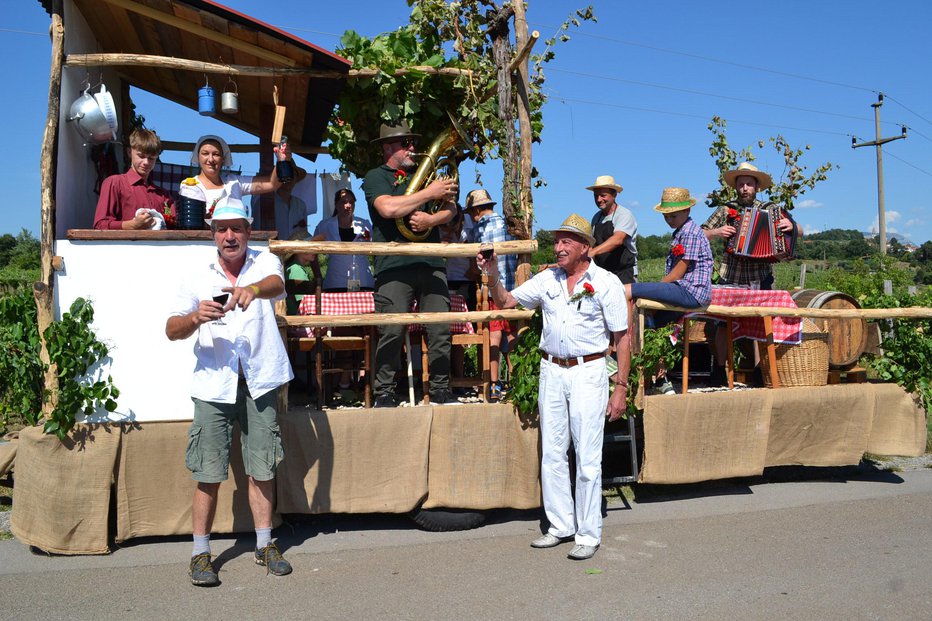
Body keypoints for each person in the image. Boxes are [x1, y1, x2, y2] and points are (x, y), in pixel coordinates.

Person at [478, 213, 630, 562]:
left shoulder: (605, 283)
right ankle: (560, 526)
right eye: (557, 240)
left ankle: (588, 533)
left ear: (585, 248)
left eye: (566, 241)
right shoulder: (547, 279)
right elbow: (505, 302)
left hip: (589, 371)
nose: (558, 247)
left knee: (588, 457)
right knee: (553, 452)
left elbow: (622, 338)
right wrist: (490, 273)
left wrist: (620, 386)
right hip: (552, 370)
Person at [165, 197, 294, 587]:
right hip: (213, 385)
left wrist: (252, 289)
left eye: (237, 228)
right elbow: (171, 329)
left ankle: (264, 544)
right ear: (213, 235)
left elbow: (278, 284)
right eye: (222, 229)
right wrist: (194, 317)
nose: (229, 236)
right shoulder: (196, 274)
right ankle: (200, 553)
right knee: (208, 473)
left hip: (259, 382)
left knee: (262, 469)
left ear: (248, 231)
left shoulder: (264, 261)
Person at [363, 120, 459, 407]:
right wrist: (430, 194)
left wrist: (431, 219)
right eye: (406, 143)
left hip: (430, 261)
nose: (413, 147)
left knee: (440, 329)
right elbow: (388, 208)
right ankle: (385, 392)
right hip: (393, 264)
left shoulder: (426, 174)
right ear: (388, 147)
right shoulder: (375, 176)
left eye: (412, 142)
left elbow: (451, 210)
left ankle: (441, 389)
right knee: (392, 330)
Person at [702, 162, 803, 383]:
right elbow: (700, 233)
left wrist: (791, 226)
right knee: (721, 323)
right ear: (735, 187)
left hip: (761, 274)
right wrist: (718, 231)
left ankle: (760, 371)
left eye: (749, 184)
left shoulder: (770, 209)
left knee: (762, 323)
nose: (745, 188)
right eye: (741, 184)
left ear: (757, 187)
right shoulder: (725, 209)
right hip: (731, 274)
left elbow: (800, 231)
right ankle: (720, 369)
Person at [625, 188, 713, 394]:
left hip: (692, 291)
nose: (668, 219)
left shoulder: (691, 232)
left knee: (630, 290)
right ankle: (659, 376)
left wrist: (659, 288)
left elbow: (680, 270)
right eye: (665, 216)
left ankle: (624, 357)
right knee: (651, 322)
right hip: (683, 289)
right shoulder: (681, 232)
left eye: (673, 215)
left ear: (687, 211)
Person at [464, 188, 517, 402]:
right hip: (514, 289)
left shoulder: (479, 230)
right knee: (512, 336)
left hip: (493, 290)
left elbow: (479, 265)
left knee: (493, 336)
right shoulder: (508, 224)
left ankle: (493, 383)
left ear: (476, 211)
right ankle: (516, 380)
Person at [179, 134, 291, 220]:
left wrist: (282, 159)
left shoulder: (234, 181)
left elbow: (271, 184)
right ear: (198, 157)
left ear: (223, 159)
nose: (211, 159)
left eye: (216, 154)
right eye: (205, 153)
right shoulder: (190, 185)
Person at [93, 128, 176, 230]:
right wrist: (132, 225)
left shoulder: (164, 195)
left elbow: (173, 228)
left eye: (151, 158)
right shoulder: (114, 183)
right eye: (141, 156)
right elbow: (100, 225)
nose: (146, 162)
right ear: (129, 152)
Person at [312, 188, 375, 292]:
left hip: (364, 281)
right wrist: (318, 275)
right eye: (344, 202)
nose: (348, 205)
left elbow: (376, 251)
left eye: (351, 202)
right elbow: (312, 252)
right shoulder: (324, 226)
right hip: (335, 283)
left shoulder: (365, 224)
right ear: (336, 205)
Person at [586, 175, 639, 284]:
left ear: (614, 195)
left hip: (624, 272)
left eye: (603, 195)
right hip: (603, 274)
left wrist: (593, 252)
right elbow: (592, 243)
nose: (599, 199)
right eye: (596, 196)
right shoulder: (596, 218)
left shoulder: (624, 215)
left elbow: (618, 239)